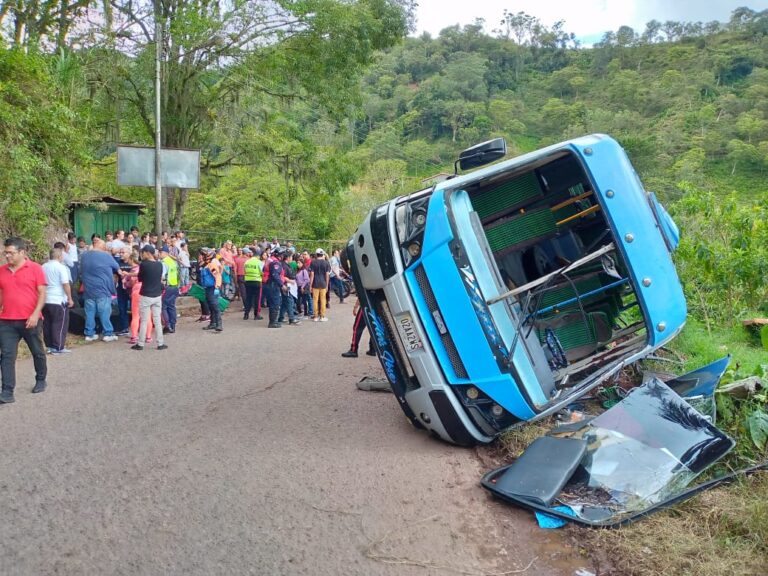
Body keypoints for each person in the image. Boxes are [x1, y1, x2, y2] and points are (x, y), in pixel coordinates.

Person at [0, 237, 48, 403]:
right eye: (5, 253)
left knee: (37, 352)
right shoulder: (2, 270)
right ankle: (7, 391)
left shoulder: (35, 268)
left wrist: (35, 314)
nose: (7, 256)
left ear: (22, 252)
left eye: (11, 253)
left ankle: (41, 379)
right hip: (6, 321)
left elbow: (42, 293)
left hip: (30, 320)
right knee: (7, 356)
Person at [80, 238, 119, 342]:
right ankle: (108, 333)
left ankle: (89, 334)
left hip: (88, 290)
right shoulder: (105, 255)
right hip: (102, 289)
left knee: (89, 313)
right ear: (102, 247)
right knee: (104, 312)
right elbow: (116, 266)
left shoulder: (84, 255)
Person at [131, 245, 166, 350]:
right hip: (157, 295)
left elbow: (140, 278)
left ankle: (140, 343)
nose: (142, 255)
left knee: (144, 320)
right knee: (157, 320)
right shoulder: (159, 264)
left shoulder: (144, 265)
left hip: (146, 294)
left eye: (143, 253)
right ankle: (160, 343)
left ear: (147, 253)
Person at [42, 246, 75, 355]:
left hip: (45, 299)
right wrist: (69, 298)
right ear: (60, 256)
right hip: (58, 299)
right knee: (60, 324)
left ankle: (49, 346)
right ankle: (58, 346)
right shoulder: (61, 267)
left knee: (47, 323)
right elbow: (65, 283)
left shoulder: (43, 266)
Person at [200, 249, 223, 332]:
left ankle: (219, 324)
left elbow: (217, 276)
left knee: (215, 306)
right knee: (210, 306)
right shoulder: (205, 265)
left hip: (212, 288)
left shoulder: (211, 265)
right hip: (207, 288)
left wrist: (217, 287)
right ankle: (212, 323)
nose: (202, 256)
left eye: (204, 255)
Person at [263, 247, 285, 328]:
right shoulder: (275, 263)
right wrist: (282, 285)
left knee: (272, 303)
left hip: (267, 284)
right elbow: (275, 275)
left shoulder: (269, 260)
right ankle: (272, 322)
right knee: (275, 303)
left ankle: (273, 321)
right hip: (272, 285)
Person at [277, 251, 301, 326]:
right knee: (289, 301)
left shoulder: (286, 265)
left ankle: (281, 318)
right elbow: (282, 276)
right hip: (286, 285)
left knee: (285, 302)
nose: (292, 259)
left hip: (289, 285)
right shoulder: (284, 266)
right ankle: (291, 318)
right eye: (291, 257)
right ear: (288, 258)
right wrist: (290, 281)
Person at [160, 245, 180, 333]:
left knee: (163, 307)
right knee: (171, 306)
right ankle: (173, 325)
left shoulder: (164, 262)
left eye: (160, 252)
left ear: (165, 253)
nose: (159, 254)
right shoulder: (172, 262)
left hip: (167, 287)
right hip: (174, 286)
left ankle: (167, 326)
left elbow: (162, 276)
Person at [309, 248, 331, 322]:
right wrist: (327, 284)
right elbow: (327, 275)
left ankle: (315, 316)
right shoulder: (326, 263)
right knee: (323, 300)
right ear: (322, 254)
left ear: (316, 254)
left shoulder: (313, 262)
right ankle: (322, 316)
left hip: (315, 283)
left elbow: (312, 274)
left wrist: (310, 285)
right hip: (323, 283)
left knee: (315, 300)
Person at [242, 248, 263, 320]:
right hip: (257, 281)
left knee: (248, 298)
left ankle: (246, 315)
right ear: (258, 256)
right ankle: (256, 315)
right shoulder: (259, 262)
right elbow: (262, 272)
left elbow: (245, 271)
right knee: (256, 299)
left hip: (248, 281)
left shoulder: (247, 262)